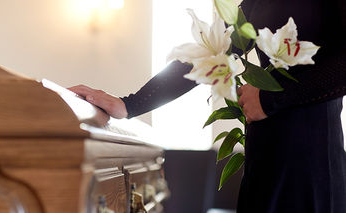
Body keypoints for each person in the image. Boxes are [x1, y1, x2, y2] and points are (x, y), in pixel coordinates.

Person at [69, 0, 346, 212]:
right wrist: (129, 104)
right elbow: (208, 54)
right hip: (265, 154)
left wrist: (271, 99)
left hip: (312, 161)